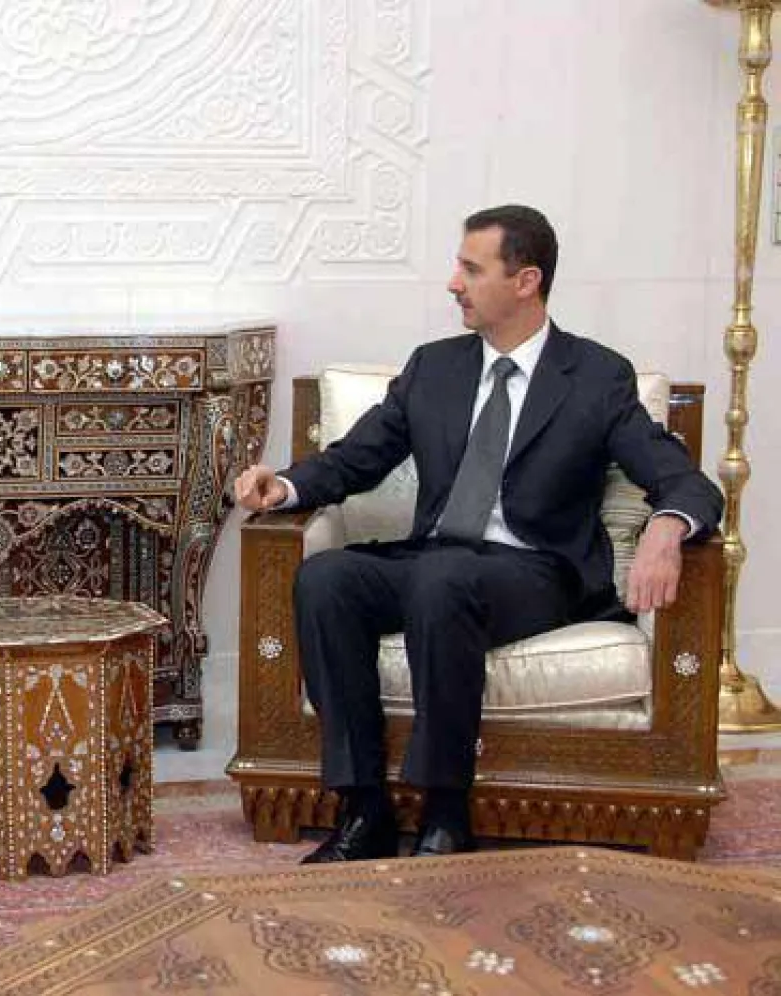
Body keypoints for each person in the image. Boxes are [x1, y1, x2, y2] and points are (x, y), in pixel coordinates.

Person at [233, 204, 723, 864]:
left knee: (443, 579)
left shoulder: (595, 376)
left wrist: (667, 525)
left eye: (470, 268)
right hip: (437, 559)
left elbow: (683, 480)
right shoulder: (434, 367)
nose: (453, 283)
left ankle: (445, 812)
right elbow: (356, 459)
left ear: (525, 281)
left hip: (537, 570)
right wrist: (285, 486)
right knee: (328, 578)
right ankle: (363, 809)